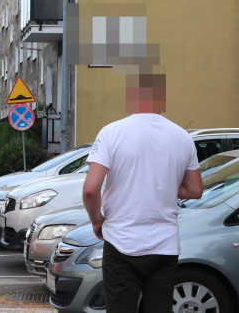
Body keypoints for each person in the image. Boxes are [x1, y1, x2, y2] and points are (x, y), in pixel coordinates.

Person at [82, 113, 202, 313]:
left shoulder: (112, 132)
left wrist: (96, 221)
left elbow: (90, 190)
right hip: (165, 245)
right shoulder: (182, 136)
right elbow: (195, 190)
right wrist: (161, 184)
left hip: (121, 241)